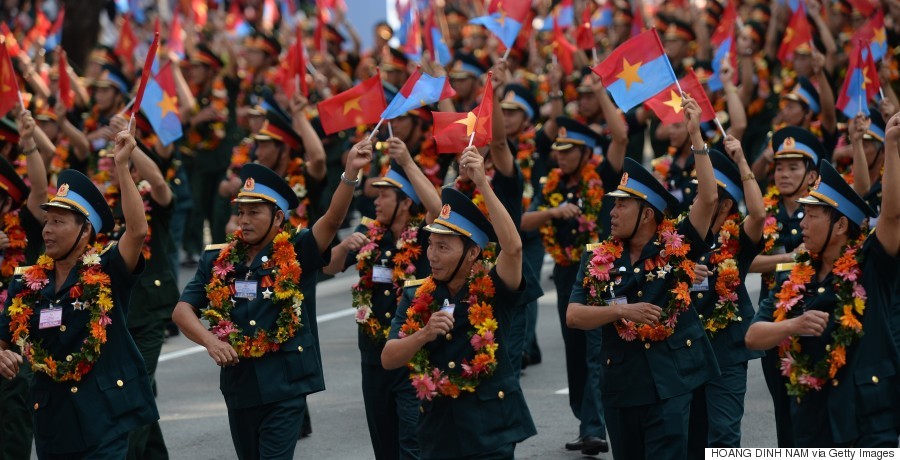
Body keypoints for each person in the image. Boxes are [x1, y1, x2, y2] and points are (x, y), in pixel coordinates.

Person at [171, 140, 373, 459]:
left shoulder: (297, 250)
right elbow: (182, 311)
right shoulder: (217, 259)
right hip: (240, 385)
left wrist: (350, 172)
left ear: (278, 218)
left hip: (286, 386)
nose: (244, 220)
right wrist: (211, 342)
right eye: (241, 212)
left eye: (254, 212)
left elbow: (332, 220)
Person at [566, 96, 720, 459]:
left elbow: (709, 199)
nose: (613, 211)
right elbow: (574, 315)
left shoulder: (675, 246)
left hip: (672, 381)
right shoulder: (596, 257)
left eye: (622, 205)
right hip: (622, 387)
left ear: (648, 214)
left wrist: (696, 135)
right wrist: (623, 311)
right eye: (614, 204)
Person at [0, 131, 159, 458]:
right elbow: (3, 339)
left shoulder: (107, 269)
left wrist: (122, 164)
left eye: (58, 222)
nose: (47, 230)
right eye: (47, 221)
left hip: (104, 418)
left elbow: (137, 230)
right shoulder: (28, 284)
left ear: (85, 230)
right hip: (52, 421)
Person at [745, 112, 900, 446]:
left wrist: (890, 145)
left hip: (867, 422)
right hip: (812, 422)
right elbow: (754, 336)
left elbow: (892, 215)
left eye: (813, 215)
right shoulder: (795, 278)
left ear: (841, 225)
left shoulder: (870, 265)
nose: (803, 223)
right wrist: (792, 326)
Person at [381, 148, 536, 459]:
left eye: (443, 247)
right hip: (439, 429)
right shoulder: (417, 295)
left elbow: (514, 248)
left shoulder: (492, 286)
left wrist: (481, 181)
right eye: (430, 246)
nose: (432, 256)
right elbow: (388, 358)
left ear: (472, 253)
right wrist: (423, 334)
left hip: (491, 427)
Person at [323, 143, 441, 459]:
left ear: (405, 202)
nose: (375, 201)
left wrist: (406, 161)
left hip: (412, 351)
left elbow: (436, 204)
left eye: (384, 195)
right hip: (373, 355)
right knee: (383, 440)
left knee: (412, 440)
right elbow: (329, 266)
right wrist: (344, 244)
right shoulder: (368, 234)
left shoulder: (425, 236)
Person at [685, 142, 766, 457]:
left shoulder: (736, 240)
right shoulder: (682, 238)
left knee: (723, 438)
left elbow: (758, 215)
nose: (698, 197)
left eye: (708, 193)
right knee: (691, 438)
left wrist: (743, 161)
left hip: (728, 351)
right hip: (688, 350)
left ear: (725, 202)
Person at [747, 125, 823, 447]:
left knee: (816, 410)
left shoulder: (822, 213)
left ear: (811, 173)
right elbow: (742, 261)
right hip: (774, 320)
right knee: (783, 410)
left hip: (816, 320)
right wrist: (791, 259)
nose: (784, 174)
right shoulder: (762, 213)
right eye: (779, 167)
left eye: (794, 167)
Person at [0, 109, 50, 460]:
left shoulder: (24, 226)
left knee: (14, 430)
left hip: (15, 346)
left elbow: (41, 189)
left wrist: (29, 143)